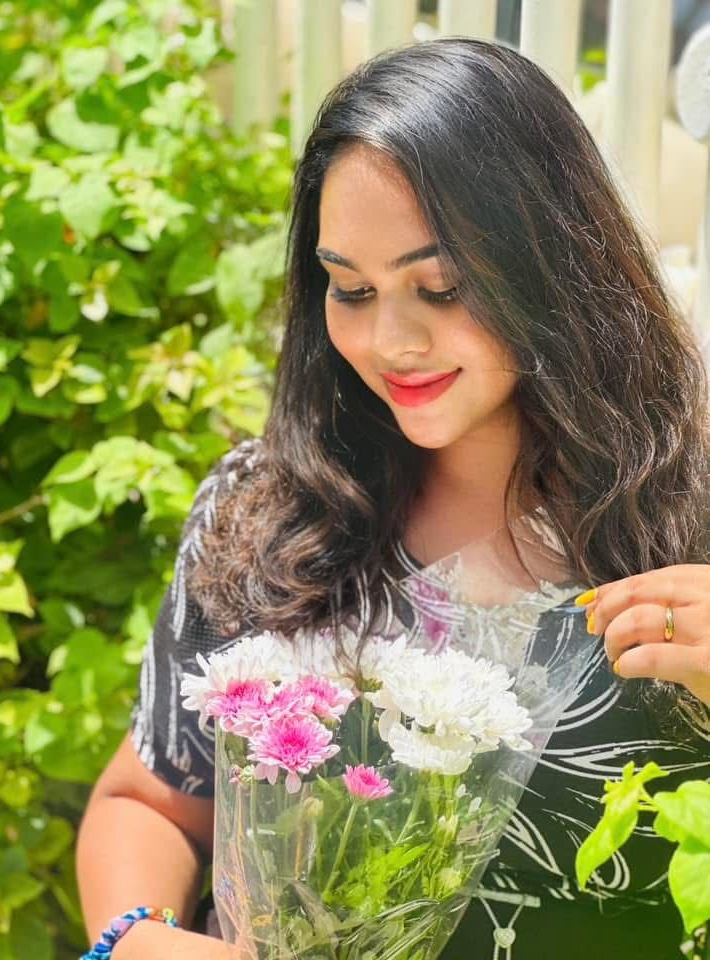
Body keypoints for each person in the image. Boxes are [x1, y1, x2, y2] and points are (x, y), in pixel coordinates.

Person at [75, 37, 710, 960]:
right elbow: (149, 800)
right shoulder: (267, 512)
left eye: (440, 287)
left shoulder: (689, 526)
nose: (391, 341)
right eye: (351, 289)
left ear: (551, 263)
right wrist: (138, 941)